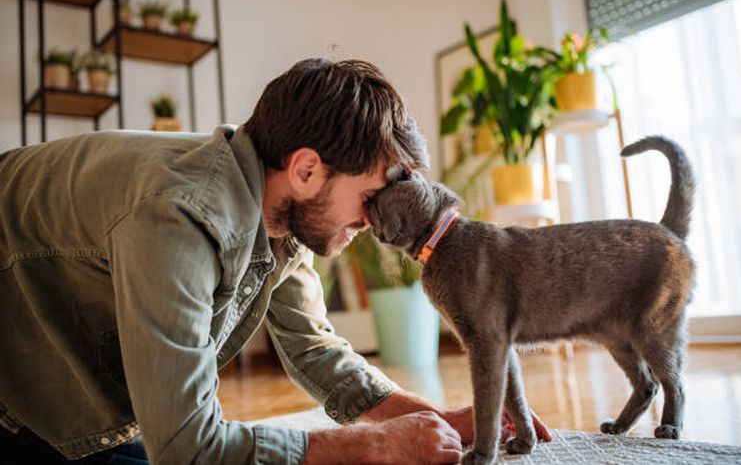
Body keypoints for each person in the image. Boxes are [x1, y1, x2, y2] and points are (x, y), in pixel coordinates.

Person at [0, 58, 549, 464]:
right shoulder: (179, 217)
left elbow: (313, 348)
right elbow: (187, 449)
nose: (375, 221)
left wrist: (421, 416)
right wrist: (366, 447)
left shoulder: (279, 209)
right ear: (308, 169)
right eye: (370, 197)